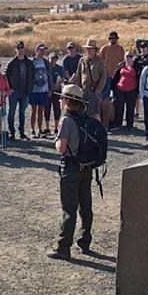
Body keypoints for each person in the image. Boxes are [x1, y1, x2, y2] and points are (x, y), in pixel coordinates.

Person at [48, 85, 94, 260]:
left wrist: (56, 141)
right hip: (86, 168)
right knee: (86, 207)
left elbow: (61, 148)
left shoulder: (66, 120)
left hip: (71, 168)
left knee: (69, 209)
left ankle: (63, 247)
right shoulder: (85, 117)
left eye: (62, 98)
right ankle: (85, 241)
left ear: (67, 100)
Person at [4, 40, 34, 140]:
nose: (20, 50)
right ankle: (11, 132)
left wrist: (30, 88)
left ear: (24, 49)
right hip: (14, 91)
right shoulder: (12, 63)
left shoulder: (29, 63)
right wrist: (9, 88)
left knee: (22, 112)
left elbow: (32, 76)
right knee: (12, 112)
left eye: (22, 48)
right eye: (18, 48)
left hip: (25, 91)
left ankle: (22, 132)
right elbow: (6, 76)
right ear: (15, 49)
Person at [73, 38, 107, 122]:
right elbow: (78, 75)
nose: (89, 50)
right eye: (87, 49)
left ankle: (97, 128)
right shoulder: (82, 60)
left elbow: (103, 77)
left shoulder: (100, 61)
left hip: (94, 92)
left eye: (91, 49)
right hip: (84, 91)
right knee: (83, 111)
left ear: (95, 50)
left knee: (95, 113)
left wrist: (98, 91)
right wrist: (78, 90)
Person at [29, 44, 53, 139]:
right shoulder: (32, 62)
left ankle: (40, 129)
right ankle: (32, 129)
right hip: (34, 90)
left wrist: (50, 88)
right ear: (36, 50)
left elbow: (49, 76)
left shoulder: (46, 62)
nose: (43, 52)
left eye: (44, 51)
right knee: (33, 110)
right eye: (41, 50)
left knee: (41, 111)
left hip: (44, 90)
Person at [111, 51, 139, 132]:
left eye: (130, 56)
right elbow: (115, 76)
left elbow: (139, 77)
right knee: (119, 108)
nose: (128, 58)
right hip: (120, 89)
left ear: (133, 57)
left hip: (132, 90)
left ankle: (129, 125)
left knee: (130, 108)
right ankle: (117, 124)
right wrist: (113, 87)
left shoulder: (137, 66)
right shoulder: (121, 65)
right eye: (127, 56)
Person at [46, 52, 68, 135]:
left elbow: (63, 78)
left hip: (57, 91)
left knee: (57, 109)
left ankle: (56, 128)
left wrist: (59, 83)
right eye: (52, 58)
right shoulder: (46, 68)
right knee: (47, 109)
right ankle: (47, 127)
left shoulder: (59, 68)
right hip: (48, 91)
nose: (53, 60)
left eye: (55, 58)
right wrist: (48, 89)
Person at [100, 31, 126, 97]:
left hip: (117, 76)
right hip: (106, 75)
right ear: (109, 39)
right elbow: (100, 61)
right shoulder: (104, 48)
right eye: (111, 38)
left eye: (114, 38)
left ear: (117, 39)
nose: (113, 39)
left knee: (117, 95)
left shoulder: (120, 49)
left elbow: (123, 62)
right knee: (105, 95)